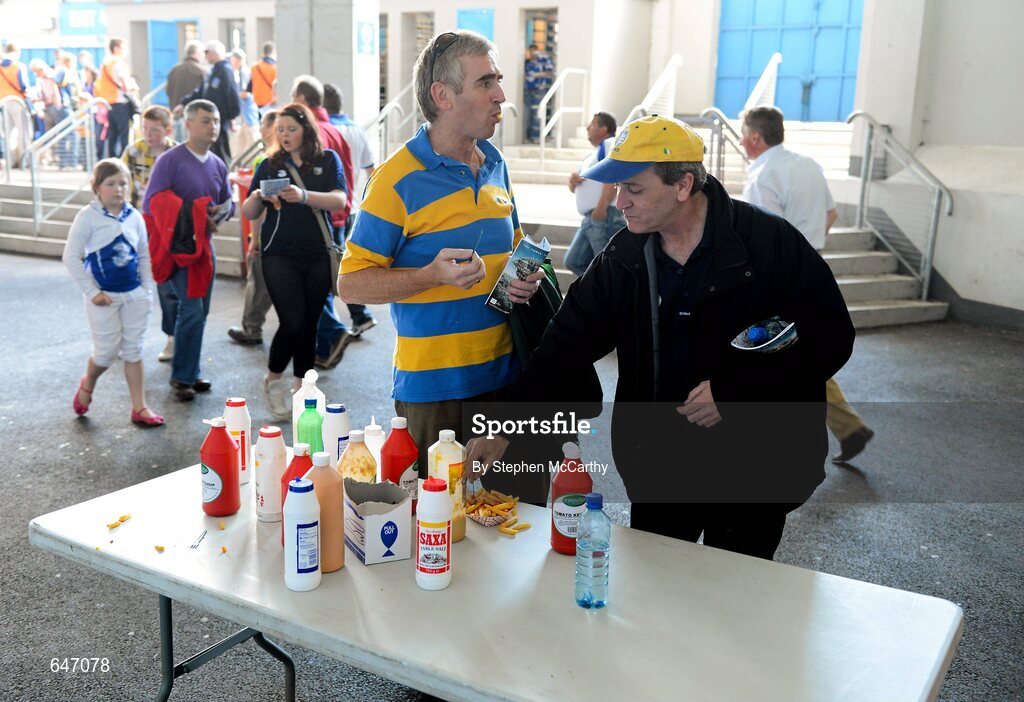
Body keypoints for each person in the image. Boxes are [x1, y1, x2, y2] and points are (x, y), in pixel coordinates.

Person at [466, 115, 856, 560]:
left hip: (756, 471)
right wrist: (505, 425)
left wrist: (735, 392)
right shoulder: (624, 256)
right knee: (656, 602)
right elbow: (564, 344)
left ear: (683, 185)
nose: (620, 203)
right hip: (661, 472)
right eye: (617, 189)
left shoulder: (768, 244)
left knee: (739, 605)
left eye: (634, 188)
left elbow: (831, 336)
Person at [339, 30, 544, 473]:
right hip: (434, 396)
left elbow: (513, 246)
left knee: (510, 522)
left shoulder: (495, 163)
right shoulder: (396, 180)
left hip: (508, 383)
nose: (501, 95)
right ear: (442, 95)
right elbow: (351, 284)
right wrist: (428, 275)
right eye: (486, 83)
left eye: (498, 81)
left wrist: (525, 274)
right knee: (438, 527)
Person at [740, 106, 875, 463]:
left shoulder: (763, 176)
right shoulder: (808, 165)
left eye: (743, 133)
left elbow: (762, 239)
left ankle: (782, 444)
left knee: (780, 351)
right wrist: (807, 257)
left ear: (755, 137)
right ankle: (849, 428)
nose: (740, 140)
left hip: (776, 278)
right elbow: (831, 213)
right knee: (801, 347)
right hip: (812, 268)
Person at [241, 103, 347, 419]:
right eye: (280, 130)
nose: (285, 135)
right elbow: (248, 211)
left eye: (291, 129)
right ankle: (274, 379)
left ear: (306, 129)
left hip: (317, 253)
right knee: (293, 320)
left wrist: (303, 196)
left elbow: (340, 200)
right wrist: (259, 197)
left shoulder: (327, 160)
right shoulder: (270, 164)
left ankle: (303, 390)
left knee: (310, 323)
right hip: (277, 254)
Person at [143, 99, 234, 401]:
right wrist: (191, 215)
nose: (213, 127)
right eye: (206, 120)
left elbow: (226, 202)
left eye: (217, 121)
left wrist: (221, 211)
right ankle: (182, 377)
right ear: (189, 123)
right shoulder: (170, 161)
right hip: (179, 249)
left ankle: (191, 372)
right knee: (192, 310)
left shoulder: (218, 163)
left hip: (204, 249)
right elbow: (151, 204)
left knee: (201, 312)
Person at [62, 158, 164, 427]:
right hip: (103, 298)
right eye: (111, 184)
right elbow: (71, 258)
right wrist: (92, 292)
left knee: (134, 350)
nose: (118, 189)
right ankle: (89, 381)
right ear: (96, 187)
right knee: (106, 354)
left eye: (123, 183)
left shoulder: (135, 217)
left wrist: (146, 289)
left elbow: (143, 254)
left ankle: (139, 407)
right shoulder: (87, 217)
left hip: (135, 296)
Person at [288, 75, 357, 369]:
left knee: (317, 285)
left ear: (302, 100)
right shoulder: (337, 129)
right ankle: (327, 342)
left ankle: (333, 333)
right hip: (340, 214)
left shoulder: (314, 133)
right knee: (327, 279)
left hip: (322, 217)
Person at [121, 105, 176, 362]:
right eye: (145, 129)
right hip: (136, 223)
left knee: (166, 284)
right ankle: (127, 337)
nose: (149, 134)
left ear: (167, 130)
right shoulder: (133, 152)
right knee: (130, 283)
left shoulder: (177, 153)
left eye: (155, 130)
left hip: (165, 227)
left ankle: (172, 337)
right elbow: (121, 185)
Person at [323, 82, 377, 337]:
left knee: (333, 266)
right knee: (345, 262)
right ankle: (359, 315)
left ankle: (344, 323)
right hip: (354, 207)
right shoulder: (357, 130)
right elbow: (371, 170)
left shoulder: (324, 131)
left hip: (333, 210)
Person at [228, 108, 277, 345]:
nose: (260, 131)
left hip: (267, 235)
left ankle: (251, 328)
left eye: (263, 126)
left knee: (258, 284)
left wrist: (254, 240)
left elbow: (257, 211)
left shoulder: (264, 162)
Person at [564, 111, 626, 276]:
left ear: (604, 129)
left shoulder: (610, 144)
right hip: (592, 218)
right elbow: (576, 188)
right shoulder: (592, 155)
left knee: (606, 269)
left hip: (603, 216)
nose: (587, 128)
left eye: (592, 124)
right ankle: (599, 294)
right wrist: (573, 182)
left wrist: (601, 207)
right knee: (574, 261)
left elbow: (613, 176)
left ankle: (608, 296)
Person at [177, 41, 240, 163]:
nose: (205, 56)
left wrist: (231, 116)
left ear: (215, 53)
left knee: (221, 154)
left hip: (219, 121)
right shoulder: (214, 71)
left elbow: (232, 94)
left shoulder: (225, 70)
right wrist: (184, 103)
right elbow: (200, 91)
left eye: (207, 53)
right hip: (211, 119)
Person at [92, 37, 138, 159]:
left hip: (109, 103)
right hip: (120, 102)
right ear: (117, 48)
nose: (126, 51)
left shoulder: (105, 63)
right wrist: (131, 89)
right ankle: (125, 160)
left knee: (112, 135)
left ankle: (112, 160)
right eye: (124, 48)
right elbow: (124, 83)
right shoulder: (118, 62)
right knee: (125, 135)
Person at [165, 40, 207, 144]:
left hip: (176, 112)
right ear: (196, 53)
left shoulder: (174, 70)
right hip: (194, 116)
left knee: (177, 145)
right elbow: (206, 94)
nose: (203, 56)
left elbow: (167, 90)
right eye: (202, 53)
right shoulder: (202, 71)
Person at [0, 43, 30, 167]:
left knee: (7, 133)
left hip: (3, 102)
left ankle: (10, 161)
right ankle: (24, 161)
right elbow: (23, 85)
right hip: (17, 102)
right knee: (23, 132)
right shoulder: (18, 65)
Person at [230, 48, 261, 159]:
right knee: (241, 144)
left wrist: (233, 95)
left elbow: (245, 93)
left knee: (252, 141)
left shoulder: (244, 73)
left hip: (249, 114)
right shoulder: (240, 72)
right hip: (245, 115)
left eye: (232, 60)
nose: (231, 62)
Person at [523, 44, 554, 143]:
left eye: (534, 51)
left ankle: (536, 138)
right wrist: (538, 74)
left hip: (539, 91)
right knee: (528, 114)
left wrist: (537, 74)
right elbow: (527, 76)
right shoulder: (527, 62)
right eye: (531, 51)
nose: (532, 53)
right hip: (528, 91)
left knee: (537, 115)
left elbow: (550, 71)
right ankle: (529, 137)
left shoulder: (543, 61)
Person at [248, 42, 278, 113]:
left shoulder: (255, 67)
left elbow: (250, 86)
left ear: (263, 52)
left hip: (258, 102)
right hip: (272, 102)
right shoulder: (275, 68)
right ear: (274, 52)